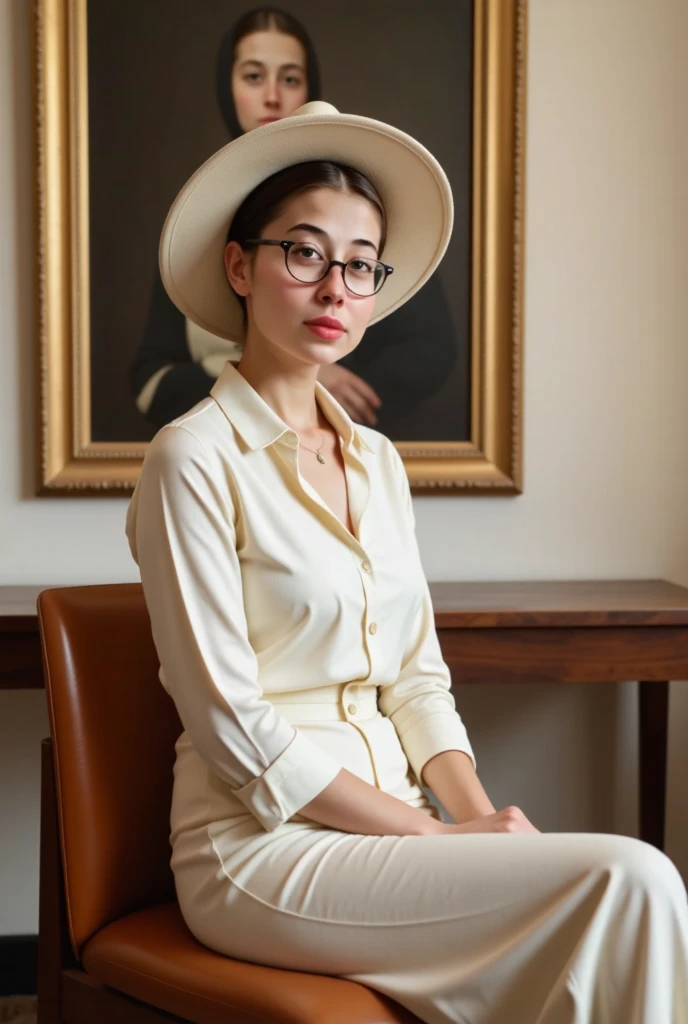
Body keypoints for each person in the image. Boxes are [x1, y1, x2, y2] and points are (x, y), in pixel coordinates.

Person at [125, 101, 688, 1023]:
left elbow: (416, 681)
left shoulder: (377, 462)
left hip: (395, 835)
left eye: (358, 264)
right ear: (241, 265)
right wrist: (441, 837)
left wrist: (475, 818)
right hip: (260, 850)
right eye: (304, 253)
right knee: (633, 878)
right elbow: (236, 729)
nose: (334, 287)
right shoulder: (191, 456)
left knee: (629, 901)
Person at [129, 7, 457, 436]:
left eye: (289, 79)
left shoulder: (357, 207)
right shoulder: (194, 231)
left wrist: (316, 396)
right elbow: (152, 379)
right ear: (237, 265)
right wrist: (285, 382)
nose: (272, 97)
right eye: (253, 76)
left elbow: (431, 350)